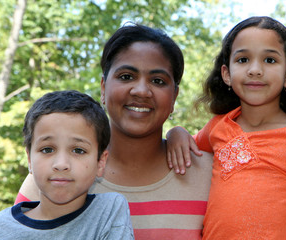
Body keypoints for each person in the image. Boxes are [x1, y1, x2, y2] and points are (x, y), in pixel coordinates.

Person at [15, 24, 213, 239]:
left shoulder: (210, 174)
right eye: (127, 76)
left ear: (174, 96)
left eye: (158, 81)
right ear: (103, 87)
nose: (141, 91)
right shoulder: (55, 176)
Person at [166, 16, 286, 239]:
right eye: (243, 60)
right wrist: (176, 132)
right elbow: (190, 147)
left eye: (270, 60)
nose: (255, 70)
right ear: (226, 74)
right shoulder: (218, 127)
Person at [0, 90, 134, 240]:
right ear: (29, 159)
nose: (61, 164)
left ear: (100, 162)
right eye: (47, 149)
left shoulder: (108, 211)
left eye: (78, 150)